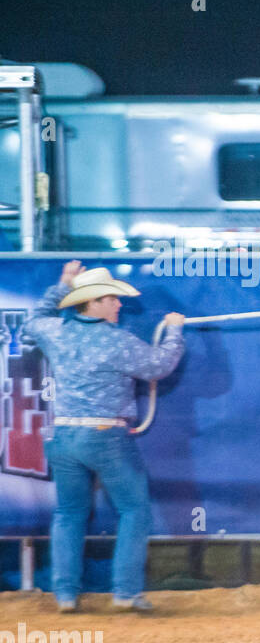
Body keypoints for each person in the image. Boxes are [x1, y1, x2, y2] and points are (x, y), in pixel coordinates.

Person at [21, 262, 185, 613]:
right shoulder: (117, 341)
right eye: (111, 298)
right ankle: (125, 592)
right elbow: (159, 366)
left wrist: (62, 285)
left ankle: (65, 594)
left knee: (69, 513)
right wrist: (174, 332)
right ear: (93, 302)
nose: (118, 305)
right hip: (104, 436)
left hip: (63, 434)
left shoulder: (55, 331)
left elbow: (33, 322)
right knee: (134, 509)